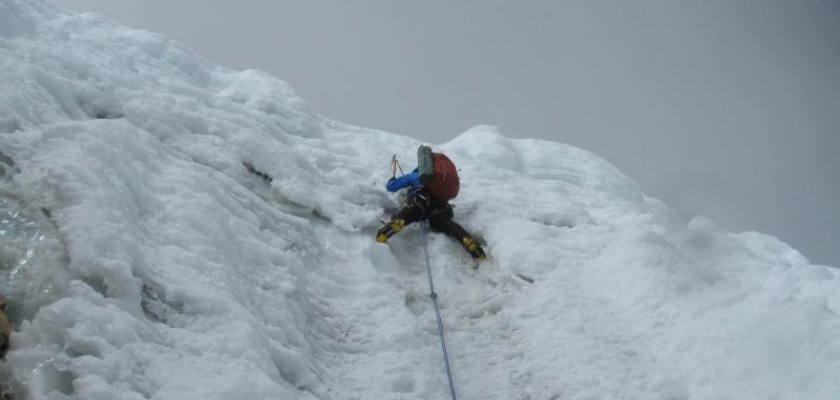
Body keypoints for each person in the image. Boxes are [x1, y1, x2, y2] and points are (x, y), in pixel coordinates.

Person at [377, 146, 487, 260]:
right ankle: (466, 239)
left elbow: (391, 187)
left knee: (413, 211)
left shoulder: (415, 175)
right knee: (446, 224)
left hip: (422, 199)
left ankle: (398, 221)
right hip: (441, 206)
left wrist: (392, 180)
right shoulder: (440, 180)